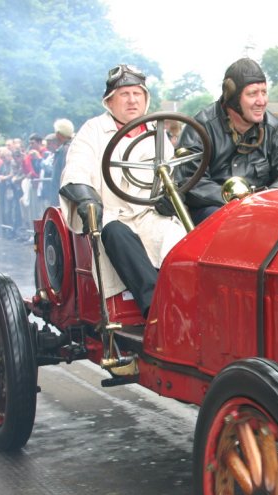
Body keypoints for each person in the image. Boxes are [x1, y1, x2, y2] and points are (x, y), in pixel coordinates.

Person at [60, 63, 185, 318]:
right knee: (115, 233)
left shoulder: (156, 133)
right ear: (110, 101)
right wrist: (86, 199)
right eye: (124, 94)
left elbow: (172, 175)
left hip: (151, 216)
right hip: (113, 214)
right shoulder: (93, 130)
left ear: (145, 98)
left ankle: (188, 303)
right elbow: (77, 167)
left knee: (180, 236)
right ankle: (157, 310)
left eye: (137, 94)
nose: (132, 101)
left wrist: (171, 198)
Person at [175, 58, 278, 223]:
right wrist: (235, 200)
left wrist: (262, 200)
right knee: (224, 219)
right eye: (253, 94)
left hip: (265, 210)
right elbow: (190, 181)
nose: (262, 101)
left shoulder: (274, 129)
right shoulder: (201, 128)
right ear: (232, 97)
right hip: (215, 212)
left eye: (264, 92)